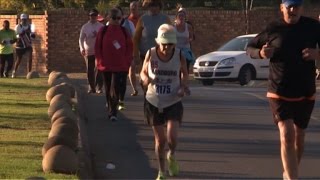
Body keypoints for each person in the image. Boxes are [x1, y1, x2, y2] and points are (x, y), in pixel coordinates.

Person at [246, 0, 320, 179]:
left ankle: (289, 173)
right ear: (282, 8)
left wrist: (318, 54)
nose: (293, 10)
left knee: (299, 138)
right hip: (278, 90)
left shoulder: (313, 27)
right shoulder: (273, 28)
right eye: (289, 7)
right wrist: (262, 53)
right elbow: (250, 47)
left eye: (296, 6)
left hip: (305, 91)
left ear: (302, 8)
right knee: (287, 134)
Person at [140, 24, 190, 180]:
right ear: (158, 42)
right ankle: (161, 171)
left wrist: (183, 86)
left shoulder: (179, 55)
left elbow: (185, 74)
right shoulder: (151, 54)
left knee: (172, 137)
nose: (167, 48)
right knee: (160, 140)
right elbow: (142, 71)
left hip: (173, 100)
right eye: (164, 44)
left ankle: (172, 155)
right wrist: (145, 78)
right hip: (153, 100)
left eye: (171, 44)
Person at [95, 8, 133, 122]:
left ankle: (113, 112)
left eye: (119, 18)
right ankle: (110, 105)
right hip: (106, 64)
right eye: (114, 18)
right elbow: (97, 47)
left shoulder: (124, 31)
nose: (116, 20)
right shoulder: (103, 30)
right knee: (107, 87)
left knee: (116, 87)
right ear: (109, 18)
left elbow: (129, 47)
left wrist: (127, 61)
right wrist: (99, 61)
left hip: (120, 65)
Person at [133, 0, 171, 76]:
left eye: (156, 6)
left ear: (159, 7)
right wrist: (135, 54)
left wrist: (170, 52)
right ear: (148, 7)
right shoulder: (143, 19)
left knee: (158, 78)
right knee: (145, 77)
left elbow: (171, 37)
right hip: (145, 55)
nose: (153, 8)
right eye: (151, 6)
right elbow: (136, 38)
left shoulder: (165, 19)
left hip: (161, 55)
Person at [79, 9, 104, 94]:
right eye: (91, 16)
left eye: (94, 16)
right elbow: (81, 39)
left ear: (97, 16)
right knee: (90, 70)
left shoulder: (101, 26)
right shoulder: (85, 27)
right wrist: (82, 48)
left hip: (98, 51)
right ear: (89, 16)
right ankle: (91, 87)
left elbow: (104, 38)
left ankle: (98, 87)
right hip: (88, 51)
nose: (93, 17)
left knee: (99, 68)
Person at [12, 13, 35, 78]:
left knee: (30, 58)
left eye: (25, 19)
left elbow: (32, 35)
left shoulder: (30, 26)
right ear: (20, 19)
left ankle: (29, 73)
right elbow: (15, 35)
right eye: (22, 19)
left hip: (28, 44)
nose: (24, 20)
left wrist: (32, 35)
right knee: (19, 59)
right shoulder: (18, 26)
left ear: (27, 19)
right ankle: (14, 72)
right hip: (20, 45)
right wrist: (21, 34)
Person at [174, 7, 195, 73]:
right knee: (177, 68)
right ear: (177, 17)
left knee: (186, 68)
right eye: (179, 16)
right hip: (176, 50)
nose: (181, 17)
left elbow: (192, 37)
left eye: (183, 16)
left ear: (185, 17)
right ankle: (178, 81)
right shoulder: (173, 27)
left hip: (185, 49)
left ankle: (185, 81)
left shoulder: (188, 26)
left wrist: (189, 40)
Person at [127, 1, 141, 97]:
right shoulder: (127, 21)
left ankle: (144, 86)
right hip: (131, 48)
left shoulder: (142, 19)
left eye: (135, 6)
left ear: (138, 8)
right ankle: (134, 89)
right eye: (132, 6)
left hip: (142, 46)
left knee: (142, 68)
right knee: (131, 68)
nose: (133, 8)